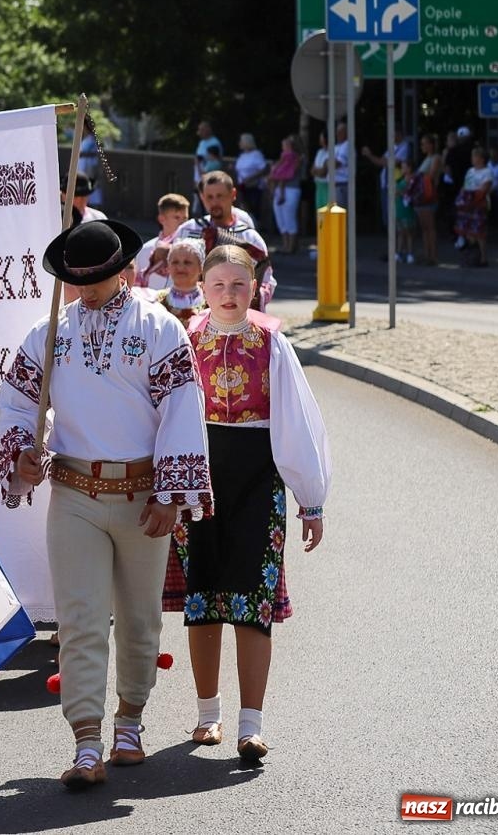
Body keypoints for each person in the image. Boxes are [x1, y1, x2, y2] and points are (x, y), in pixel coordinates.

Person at [0, 219, 211, 789]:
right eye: (75, 279)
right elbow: (17, 398)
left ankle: (131, 721)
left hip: (144, 496)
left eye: (96, 278)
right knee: (81, 618)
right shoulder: (48, 333)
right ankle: (86, 740)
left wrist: (170, 495)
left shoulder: (160, 327)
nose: (85, 289)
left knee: (139, 621)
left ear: (124, 271)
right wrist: (21, 447)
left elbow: (183, 410)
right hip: (74, 493)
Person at [179, 245, 329, 762]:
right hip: (198, 477)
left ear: (255, 290)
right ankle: (207, 716)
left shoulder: (271, 343)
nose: (227, 295)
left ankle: (251, 724)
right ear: (202, 288)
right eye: (218, 284)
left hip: (256, 480)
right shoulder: (185, 338)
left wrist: (311, 500)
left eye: (238, 285)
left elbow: (297, 422)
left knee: (252, 602)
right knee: (203, 599)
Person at [174, 171, 276, 310]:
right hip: (191, 310)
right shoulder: (188, 230)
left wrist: (253, 295)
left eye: (220, 196)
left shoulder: (250, 238)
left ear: (233, 194)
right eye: (209, 197)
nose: (214, 202)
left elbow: (267, 282)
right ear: (202, 197)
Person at [133, 193, 190, 291]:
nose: (182, 223)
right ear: (161, 219)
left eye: (185, 218)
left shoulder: (191, 251)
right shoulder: (145, 250)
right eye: (176, 217)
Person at [454, 144, 495, 267]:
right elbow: (465, 185)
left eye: (474, 156)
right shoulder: (470, 171)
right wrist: (461, 198)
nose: (472, 158)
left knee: (479, 231)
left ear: (481, 159)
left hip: (479, 204)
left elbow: (485, 188)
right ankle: (472, 256)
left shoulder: (487, 172)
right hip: (467, 204)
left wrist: (474, 197)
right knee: (468, 231)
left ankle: (483, 258)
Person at [409, 133, 442, 266]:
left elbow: (432, 175)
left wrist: (417, 177)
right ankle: (427, 254)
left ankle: (433, 256)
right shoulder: (426, 159)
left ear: (431, 145)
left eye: (424, 143)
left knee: (430, 227)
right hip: (421, 198)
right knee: (424, 228)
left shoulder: (436, 158)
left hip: (429, 196)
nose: (422, 146)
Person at [156, 238, 207, 326]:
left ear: (200, 268)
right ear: (168, 267)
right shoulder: (157, 300)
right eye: (175, 262)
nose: (180, 267)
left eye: (187, 262)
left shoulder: (211, 300)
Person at [267, 136, 303, 254]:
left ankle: (291, 246)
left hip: (291, 189)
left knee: (289, 217)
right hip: (280, 189)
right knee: (281, 217)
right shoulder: (284, 157)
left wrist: (276, 174)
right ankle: (285, 244)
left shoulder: (297, 158)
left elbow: (288, 174)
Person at [233, 133, 269, 228]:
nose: (239, 143)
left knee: (253, 210)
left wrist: (251, 178)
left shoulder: (257, 155)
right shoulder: (242, 155)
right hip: (242, 186)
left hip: (253, 187)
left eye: (241, 141)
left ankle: (255, 228)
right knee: (244, 209)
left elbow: (264, 169)